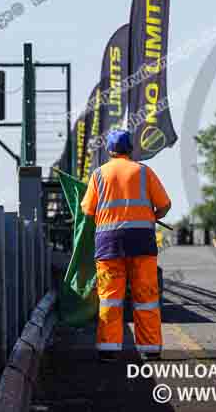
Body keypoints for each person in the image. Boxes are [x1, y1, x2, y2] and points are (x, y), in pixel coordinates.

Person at [80, 129, 171, 363]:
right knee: (146, 296)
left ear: (109, 151)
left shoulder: (98, 175)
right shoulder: (143, 171)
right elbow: (165, 205)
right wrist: (152, 214)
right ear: (131, 149)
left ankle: (108, 348)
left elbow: (87, 210)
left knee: (110, 297)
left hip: (108, 243)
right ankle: (150, 348)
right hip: (141, 240)